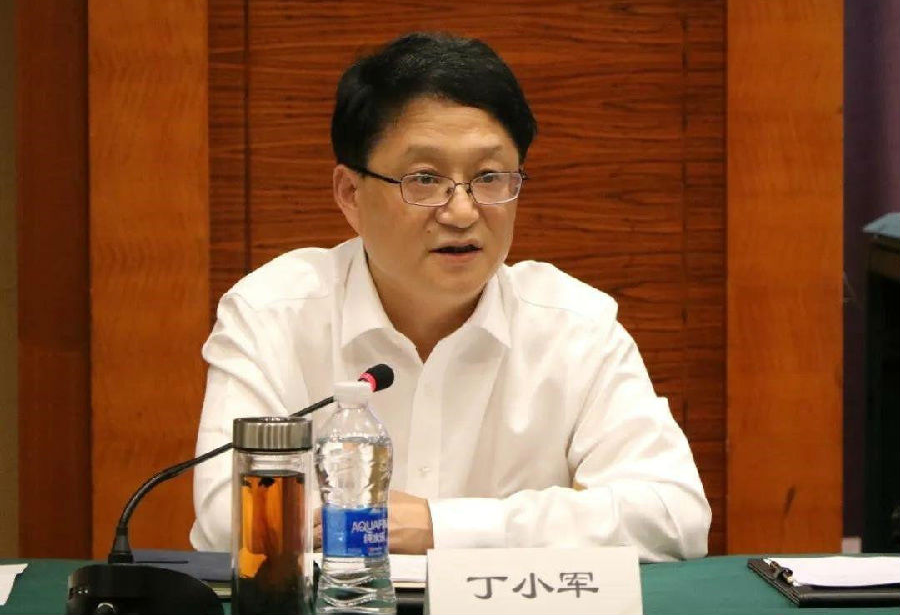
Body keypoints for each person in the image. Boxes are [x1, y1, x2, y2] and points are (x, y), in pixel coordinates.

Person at [191, 32, 711, 561]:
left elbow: (674, 517)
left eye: (489, 177)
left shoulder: (574, 327)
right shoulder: (273, 315)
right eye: (424, 179)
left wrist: (440, 527)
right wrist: (552, 525)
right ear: (350, 194)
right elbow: (227, 520)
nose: (462, 212)